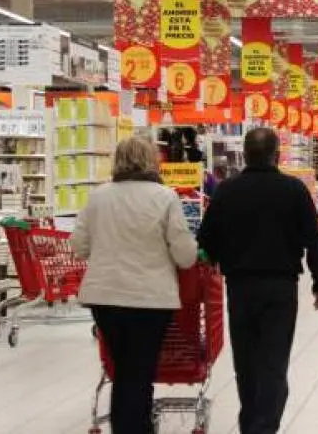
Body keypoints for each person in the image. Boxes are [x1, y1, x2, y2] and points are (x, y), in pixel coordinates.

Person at [198, 128, 318, 434]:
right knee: (273, 363)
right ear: (277, 155)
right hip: (280, 289)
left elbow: (206, 242)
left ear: (245, 155)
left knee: (246, 364)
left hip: (240, 289)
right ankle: (263, 427)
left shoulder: (226, 191)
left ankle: (252, 424)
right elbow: (314, 239)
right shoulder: (293, 190)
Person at [71, 136, 198, 434]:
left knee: (123, 370)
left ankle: (129, 426)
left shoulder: (98, 196)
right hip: (150, 299)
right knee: (139, 372)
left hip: (105, 298)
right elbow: (185, 256)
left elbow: (79, 247)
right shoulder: (165, 197)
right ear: (152, 160)